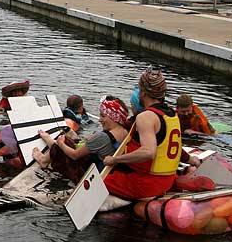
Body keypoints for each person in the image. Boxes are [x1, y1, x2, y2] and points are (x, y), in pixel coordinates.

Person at [103, 68, 196, 200]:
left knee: (100, 182)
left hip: (147, 183)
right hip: (167, 179)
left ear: (143, 93)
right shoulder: (172, 114)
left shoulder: (146, 117)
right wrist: (191, 159)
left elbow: (148, 152)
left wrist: (114, 159)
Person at [36, 96, 130, 181]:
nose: (99, 119)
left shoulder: (102, 137)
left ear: (114, 118)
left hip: (87, 174)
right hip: (102, 168)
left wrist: (61, 144)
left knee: (62, 144)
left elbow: (74, 155)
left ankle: (44, 159)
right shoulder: (125, 132)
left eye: (103, 116)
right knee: (75, 141)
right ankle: (51, 143)